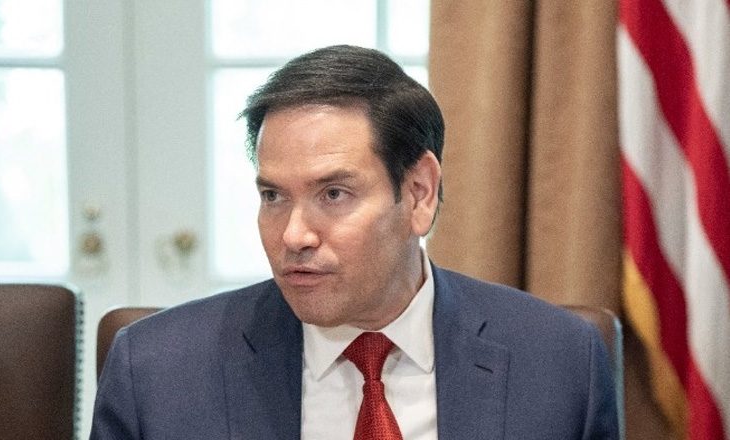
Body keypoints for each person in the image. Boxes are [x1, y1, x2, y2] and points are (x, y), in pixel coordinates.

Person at [91, 45, 618, 439]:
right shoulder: (156, 373)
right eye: (273, 196)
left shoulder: (558, 361)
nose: (294, 235)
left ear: (418, 194)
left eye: (334, 194)